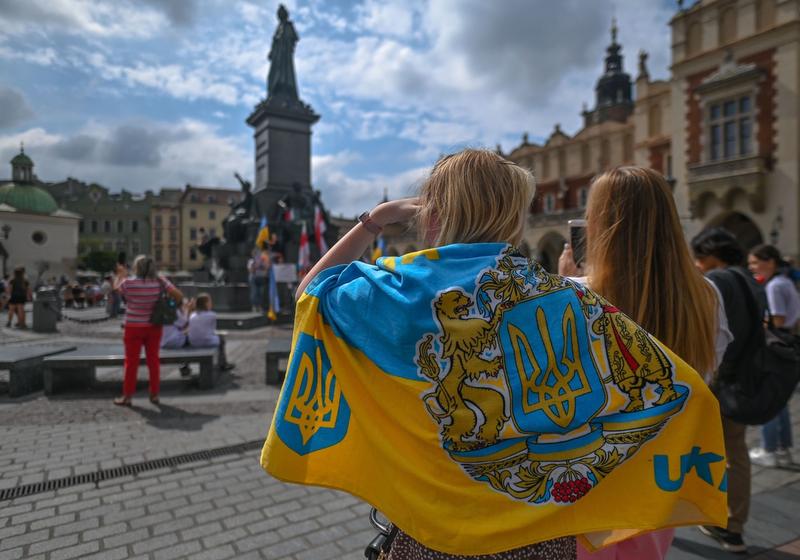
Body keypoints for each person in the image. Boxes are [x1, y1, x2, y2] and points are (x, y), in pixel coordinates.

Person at [263, 150, 728, 560]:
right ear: (515, 218)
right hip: (540, 534)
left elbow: (309, 294)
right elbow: (680, 389)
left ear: (434, 213)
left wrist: (376, 220)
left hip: (431, 527)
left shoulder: (393, 291)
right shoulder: (566, 298)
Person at [559, 167, 731, 559]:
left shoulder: (571, 294)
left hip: (592, 478)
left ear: (597, 224)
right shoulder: (707, 294)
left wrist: (564, 280)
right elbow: (707, 372)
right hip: (662, 472)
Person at [689, 227, 764, 552]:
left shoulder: (717, 281)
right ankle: (734, 523)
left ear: (711, 255)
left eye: (699, 257)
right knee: (737, 452)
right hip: (746, 376)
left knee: (718, 451)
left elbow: (709, 331)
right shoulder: (748, 278)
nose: (697, 264)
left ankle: (724, 524)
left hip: (721, 379)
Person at [747, 244, 799, 468]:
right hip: (787, 342)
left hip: (775, 344)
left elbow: (777, 319)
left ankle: (769, 449)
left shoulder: (774, 286)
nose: (751, 267)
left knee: (768, 398)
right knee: (781, 401)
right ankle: (783, 449)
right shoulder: (785, 282)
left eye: (755, 262)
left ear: (770, 262)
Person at [114, 255, 182, 406]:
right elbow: (178, 296)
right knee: (153, 361)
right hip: (154, 325)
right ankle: (154, 394)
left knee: (131, 362)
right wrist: (168, 306)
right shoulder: (160, 281)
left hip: (133, 327)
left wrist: (120, 275)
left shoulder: (128, 283)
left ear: (136, 267)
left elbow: (117, 289)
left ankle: (127, 396)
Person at [187, 293, 234, 370]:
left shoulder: (192, 315)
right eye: (210, 302)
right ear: (205, 304)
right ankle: (223, 363)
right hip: (207, 342)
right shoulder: (212, 315)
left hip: (193, 342)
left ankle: (185, 366)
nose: (211, 303)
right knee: (221, 339)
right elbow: (212, 331)